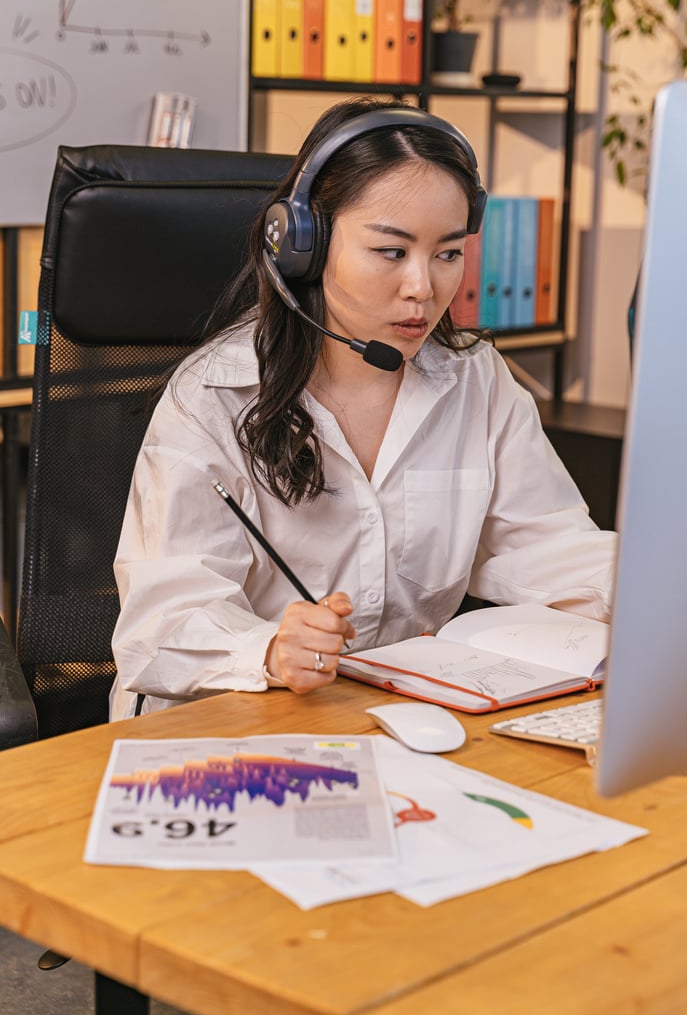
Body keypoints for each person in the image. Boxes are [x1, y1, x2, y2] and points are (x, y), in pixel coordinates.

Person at [109, 97, 617, 720]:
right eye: (391, 251)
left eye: (448, 253)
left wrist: (664, 589)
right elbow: (160, 621)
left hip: (388, 718)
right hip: (222, 723)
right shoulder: (215, 396)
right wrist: (267, 647)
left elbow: (547, 545)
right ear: (306, 244)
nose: (423, 288)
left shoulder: (474, 381)